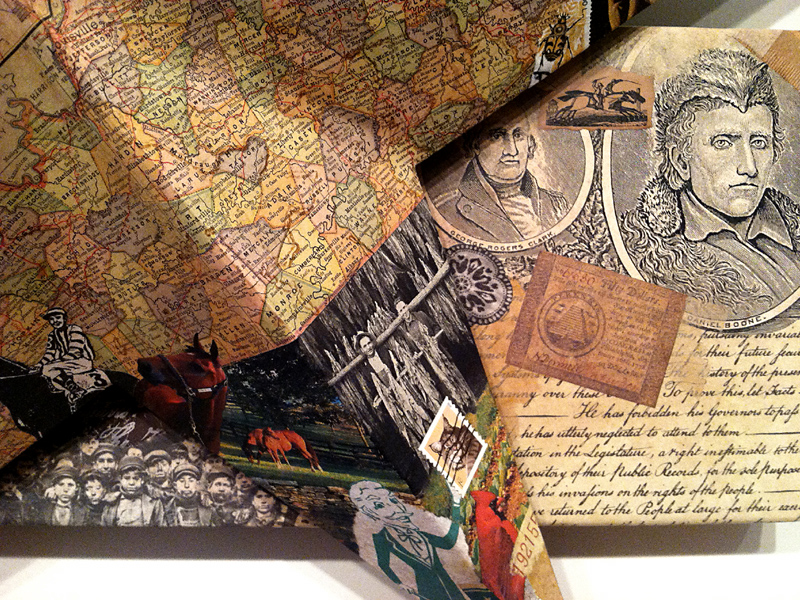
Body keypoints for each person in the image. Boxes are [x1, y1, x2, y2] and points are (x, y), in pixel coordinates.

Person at [621, 49, 800, 318]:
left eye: (759, 142)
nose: (749, 167)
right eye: (723, 142)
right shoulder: (652, 256)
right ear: (680, 160)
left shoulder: (791, 228)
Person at [433, 104, 569, 243]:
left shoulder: (556, 205)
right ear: (475, 144)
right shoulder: (447, 210)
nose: (512, 151)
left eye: (518, 135)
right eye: (497, 136)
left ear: (530, 144)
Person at [350, 480, 467, 600]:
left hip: (450, 586)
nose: (394, 508)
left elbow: (448, 542)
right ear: (370, 512)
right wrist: (398, 584)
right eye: (379, 505)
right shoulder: (381, 537)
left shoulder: (420, 534)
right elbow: (383, 564)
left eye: (392, 500)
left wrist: (456, 504)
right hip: (426, 590)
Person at [356, 332, 429, 449]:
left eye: (369, 343)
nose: (368, 347)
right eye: (365, 346)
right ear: (361, 350)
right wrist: (379, 396)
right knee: (407, 421)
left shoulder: (385, 353)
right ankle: (422, 442)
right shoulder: (366, 369)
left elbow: (399, 366)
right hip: (393, 399)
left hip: (404, 388)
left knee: (420, 411)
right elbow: (373, 389)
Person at [30, 308, 95, 402]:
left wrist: (55, 363)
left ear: (64, 319)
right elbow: (50, 353)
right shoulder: (52, 335)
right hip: (65, 363)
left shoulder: (74, 329)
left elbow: (75, 352)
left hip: (81, 361)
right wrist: (38, 365)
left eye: (58, 317)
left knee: (47, 369)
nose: (55, 321)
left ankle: (77, 390)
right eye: (51, 319)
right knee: (48, 370)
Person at [101, 456, 166, 526]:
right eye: (127, 478)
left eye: (136, 478)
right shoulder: (111, 503)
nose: (131, 483)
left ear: (142, 480)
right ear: (120, 479)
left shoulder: (154, 502)